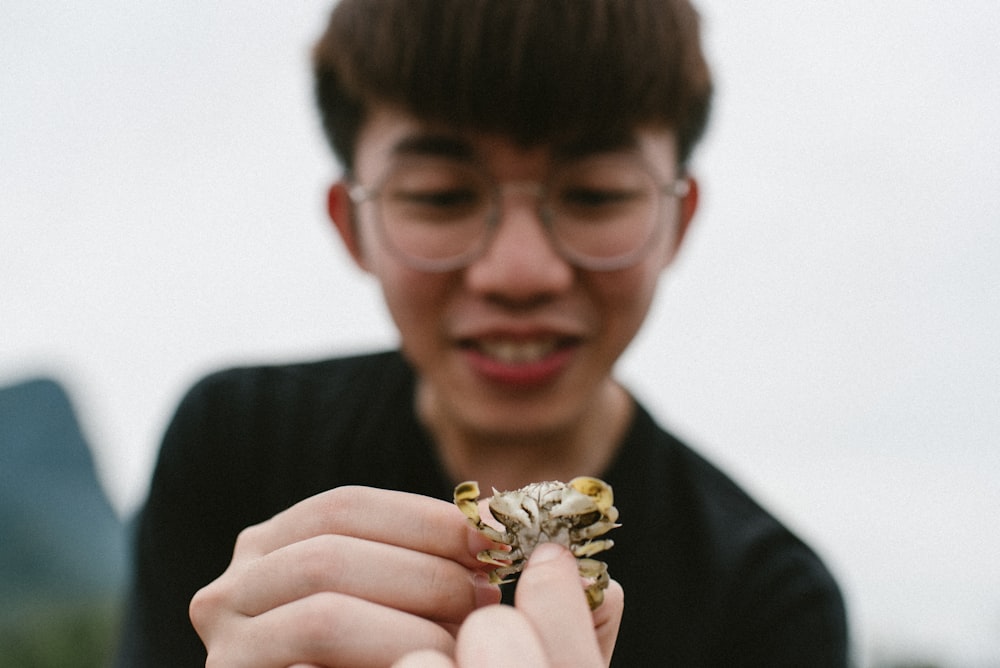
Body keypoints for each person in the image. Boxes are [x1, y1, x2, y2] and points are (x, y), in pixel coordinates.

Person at [116, 1, 850, 666]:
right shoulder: (236, 449)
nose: (519, 274)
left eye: (595, 194)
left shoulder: (772, 601)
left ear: (676, 221)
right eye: (442, 196)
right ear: (354, 225)